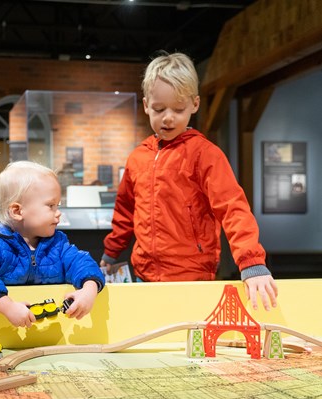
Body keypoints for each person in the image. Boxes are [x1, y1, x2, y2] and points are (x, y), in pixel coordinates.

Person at [101, 52, 278, 311]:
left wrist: (251, 262)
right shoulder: (138, 157)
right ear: (147, 104)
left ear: (195, 104)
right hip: (143, 275)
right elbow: (125, 211)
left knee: (188, 347)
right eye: (160, 109)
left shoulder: (205, 154)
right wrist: (111, 252)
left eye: (178, 109)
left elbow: (233, 208)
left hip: (192, 276)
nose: (168, 117)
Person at [0, 161, 105, 328]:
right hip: (5, 335)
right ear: (17, 211)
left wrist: (89, 290)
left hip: (54, 338)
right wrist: (7, 307)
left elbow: (82, 262)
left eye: (57, 205)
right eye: (51, 206)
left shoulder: (58, 244)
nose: (58, 213)